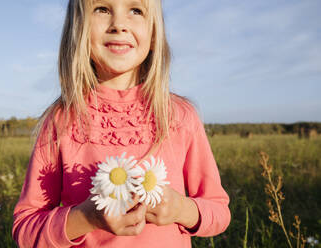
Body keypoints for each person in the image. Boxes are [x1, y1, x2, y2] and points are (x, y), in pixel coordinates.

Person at [12, 0, 231, 247]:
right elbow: (25, 231)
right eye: (102, 9)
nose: (119, 25)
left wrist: (181, 208)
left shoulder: (180, 116)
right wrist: (87, 217)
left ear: (154, 31)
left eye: (136, 10)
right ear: (78, 26)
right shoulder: (61, 120)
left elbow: (219, 212)